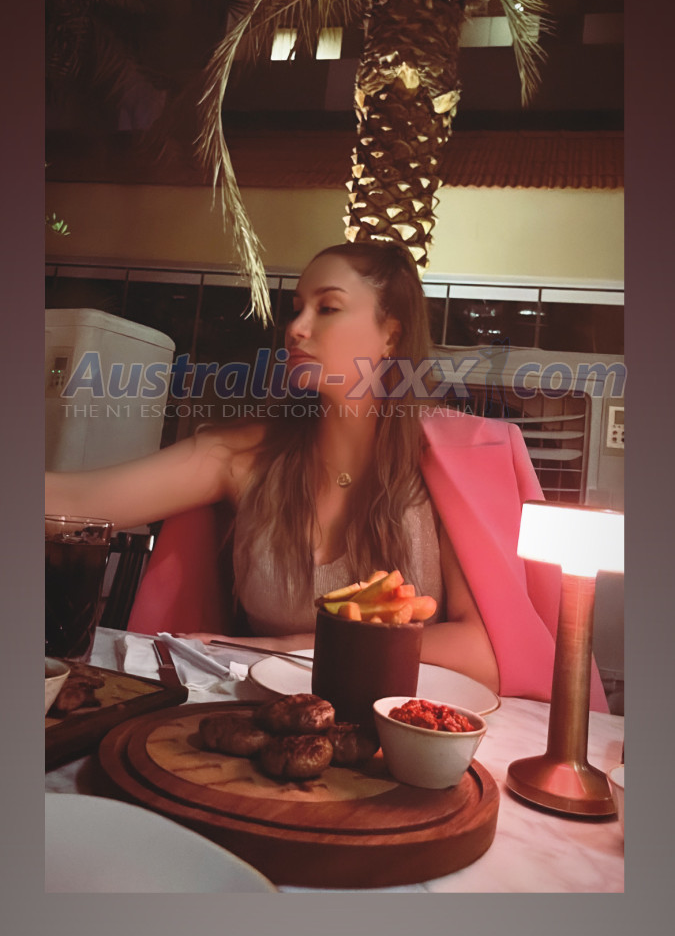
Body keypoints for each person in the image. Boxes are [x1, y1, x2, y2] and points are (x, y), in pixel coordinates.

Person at [45, 241, 608, 708]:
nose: (296, 328)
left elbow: (481, 653)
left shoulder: (445, 467)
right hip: (268, 724)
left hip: (407, 739)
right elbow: (75, 502)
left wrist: (284, 646)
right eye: (296, 308)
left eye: (328, 308)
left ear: (391, 334)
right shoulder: (238, 456)